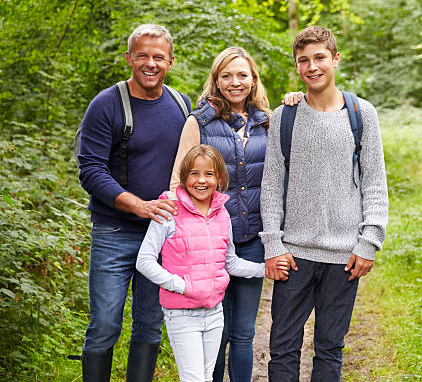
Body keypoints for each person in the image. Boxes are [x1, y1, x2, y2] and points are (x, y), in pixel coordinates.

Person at [260, 25, 389, 381]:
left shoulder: (362, 114)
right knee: (283, 347)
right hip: (293, 256)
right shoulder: (284, 116)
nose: (312, 66)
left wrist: (369, 242)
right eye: (304, 60)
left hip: (344, 256)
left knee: (330, 349)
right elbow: (271, 186)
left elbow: (375, 183)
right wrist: (272, 244)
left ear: (335, 59)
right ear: (297, 66)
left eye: (319, 58)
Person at [169, 47, 301, 382]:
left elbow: (291, 167)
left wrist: (301, 100)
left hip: (252, 240)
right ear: (215, 80)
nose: (235, 82)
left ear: (253, 79)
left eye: (242, 75)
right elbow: (177, 182)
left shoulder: (269, 122)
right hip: (209, 243)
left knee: (243, 332)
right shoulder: (198, 123)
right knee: (216, 331)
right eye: (226, 75)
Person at [77, 24, 190, 382]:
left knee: (149, 326)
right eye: (143, 55)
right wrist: (138, 205)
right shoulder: (106, 105)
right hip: (115, 232)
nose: (150, 63)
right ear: (129, 58)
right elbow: (91, 171)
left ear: (170, 62)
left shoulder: (180, 104)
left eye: (159, 57)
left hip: (161, 237)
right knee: (106, 324)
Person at [136, 144, 288, 382]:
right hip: (182, 313)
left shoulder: (222, 214)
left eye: (209, 174)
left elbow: (230, 262)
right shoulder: (168, 210)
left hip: (214, 313)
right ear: (185, 176)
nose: (201, 180)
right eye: (194, 173)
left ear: (219, 179)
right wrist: (181, 286)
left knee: (207, 377)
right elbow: (144, 261)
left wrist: (264, 269)